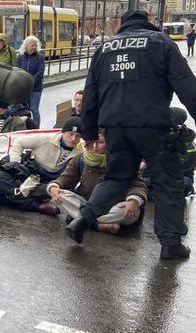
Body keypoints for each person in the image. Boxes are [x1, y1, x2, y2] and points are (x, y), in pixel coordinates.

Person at [66, 10, 196, 260]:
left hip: (114, 127)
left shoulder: (104, 50)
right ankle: (170, 244)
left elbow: (90, 93)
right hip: (152, 126)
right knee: (168, 183)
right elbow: (186, 84)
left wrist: (91, 132)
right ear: (148, 23)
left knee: (116, 178)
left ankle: (83, 219)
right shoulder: (161, 43)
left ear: (123, 26)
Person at [48, 131, 148, 235]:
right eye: (91, 142)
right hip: (87, 203)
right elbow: (67, 178)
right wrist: (55, 186)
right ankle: (98, 225)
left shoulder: (122, 162)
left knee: (124, 211)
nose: (95, 147)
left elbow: (138, 185)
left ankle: (81, 220)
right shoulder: (80, 159)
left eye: (100, 142)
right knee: (58, 196)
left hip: (113, 207)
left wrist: (134, 201)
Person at [0, 117, 83, 214]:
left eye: (77, 136)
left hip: (49, 184)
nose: (73, 139)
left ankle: (1, 199)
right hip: (28, 175)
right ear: (63, 132)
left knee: (53, 193)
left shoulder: (82, 152)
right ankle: (38, 207)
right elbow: (19, 142)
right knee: (0, 177)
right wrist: (15, 164)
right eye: (70, 134)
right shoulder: (46, 139)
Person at [17, 36, 45, 127]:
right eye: (32, 45)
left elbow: (40, 71)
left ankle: (36, 127)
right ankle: (27, 126)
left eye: (35, 45)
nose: (34, 47)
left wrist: (31, 81)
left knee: (34, 109)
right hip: (24, 88)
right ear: (26, 45)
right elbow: (17, 70)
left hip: (36, 88)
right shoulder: (20, 56)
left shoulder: (39, 57)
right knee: (25, 109)